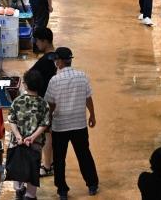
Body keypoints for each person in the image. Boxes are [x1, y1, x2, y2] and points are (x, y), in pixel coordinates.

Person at [45, 47, 99, 200]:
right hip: (79, 125)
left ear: (60, 62)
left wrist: (47, 122)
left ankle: (62, 190)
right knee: (84, 155)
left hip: (60, 126)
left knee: (60, 159)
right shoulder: (82, 76)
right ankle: (92, 185)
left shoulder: (55, 80)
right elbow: (88, 98)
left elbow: (51, 105)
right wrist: (92, 115)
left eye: (56, 60)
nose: (55, 62)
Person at [8, 69, 51, 200]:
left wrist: (17, 135)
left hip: (17, 142)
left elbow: (12, 119)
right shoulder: (43, 103)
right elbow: (45, 123)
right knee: (33, 168)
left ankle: (19, 191)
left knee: (18, 165)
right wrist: (33, 137)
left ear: (25, 85)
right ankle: (30, 195)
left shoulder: (17, 101)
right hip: (35, 143)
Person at [30, 28, 58, 176]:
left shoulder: (44, 61)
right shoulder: (55, 57)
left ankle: (47, 166)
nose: (36, 44)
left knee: (47, 135)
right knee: (50, 134)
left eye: (38, 41)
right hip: (53, 99)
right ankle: (50, 161)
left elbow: (30, 75)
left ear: (45, 41)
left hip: (45, 101)